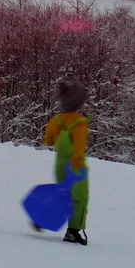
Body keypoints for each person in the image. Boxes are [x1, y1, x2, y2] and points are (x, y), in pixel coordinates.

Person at [43, 79, 90, 245]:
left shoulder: (57, 120)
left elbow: (48, 141)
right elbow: (79, 147)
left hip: (60, 164)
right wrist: (78, 164)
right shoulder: (80, 122)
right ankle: (73, 231)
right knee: (79, 198)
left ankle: (44, 216)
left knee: (63, 194)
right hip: (75, 165)